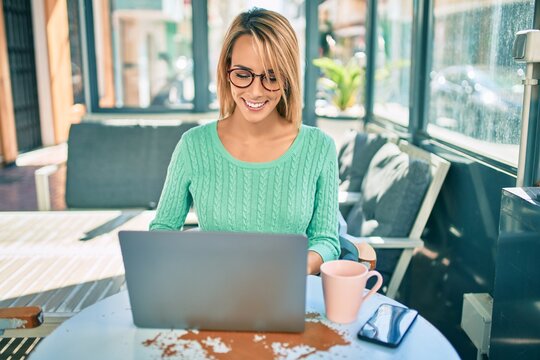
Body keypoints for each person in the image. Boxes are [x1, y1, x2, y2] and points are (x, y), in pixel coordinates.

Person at [149, 8, 340, 275]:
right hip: (213, 297)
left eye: (271, 76)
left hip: (287, 297)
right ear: (227, 71)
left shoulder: (319, 148)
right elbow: (164, 228)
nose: (255, 91)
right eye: (242, 74)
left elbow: (326, 239)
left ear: (287, 78)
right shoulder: (194, 146)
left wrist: (297, 266)